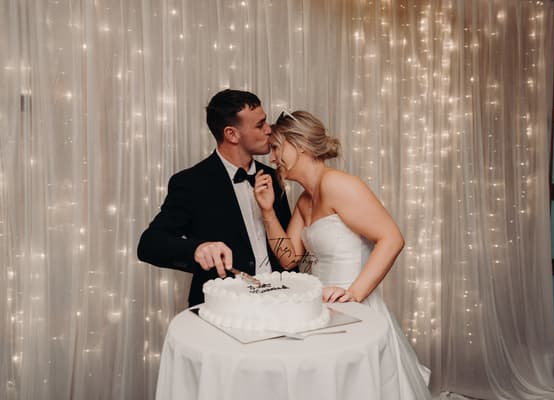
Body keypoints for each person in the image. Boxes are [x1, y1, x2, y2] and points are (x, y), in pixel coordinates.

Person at [253, 110, 431, 398]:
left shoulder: (339, 184)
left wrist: (355, 295)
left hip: (353, 311)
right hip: (320, 311)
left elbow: (392, 238)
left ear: (298, 145)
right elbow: (289, 258)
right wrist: (268, 211)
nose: (272, 158)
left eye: (276, 147)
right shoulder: (305, 198)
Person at [137, 89, 292, 307]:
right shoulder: (190, 182)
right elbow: (149, 245)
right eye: (260, 125)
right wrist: (197, 248)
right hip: (223, 306)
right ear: (231, 134)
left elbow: (289, 249)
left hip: (280, 302)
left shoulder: (274, 176)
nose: (269, 130)